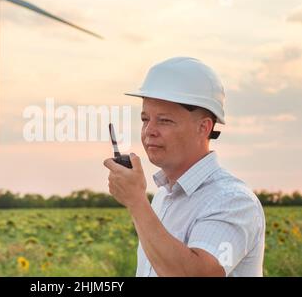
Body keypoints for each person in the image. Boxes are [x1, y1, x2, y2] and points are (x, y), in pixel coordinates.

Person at [103, 57, 265, 276]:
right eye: (145, 119)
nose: (149, 130)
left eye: (164, 120)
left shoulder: (234, 201)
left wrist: (136, 202)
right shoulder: (162, 197)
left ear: (203, 127)